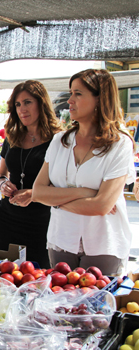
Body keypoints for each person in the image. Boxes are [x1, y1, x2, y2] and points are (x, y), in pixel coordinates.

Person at [32, 69, 135, 275]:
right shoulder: (59, 141)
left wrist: (56, 200)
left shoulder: (119, 144)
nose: (70, 100)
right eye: (71, 93)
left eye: (78, 94)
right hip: (61, 239)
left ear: (100, 99)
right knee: (62, 303)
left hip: (103, 243)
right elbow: (38, 192)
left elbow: (101, 206)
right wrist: (86, 193)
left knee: (96, 305)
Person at [0, 81, 62, 268]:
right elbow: (1, 174)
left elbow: (66, 185)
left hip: (42, 220)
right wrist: (3, 184)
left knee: (38, 277)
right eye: (18, 104)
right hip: (8, 217)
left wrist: (33, 194)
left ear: (41, 103)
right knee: (3, 273)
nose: (22, 109)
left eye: (27, 102)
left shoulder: (59, 140)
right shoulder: (12, 136)